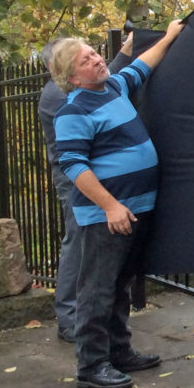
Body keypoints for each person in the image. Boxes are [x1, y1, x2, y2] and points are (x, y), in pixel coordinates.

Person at [51, 20, 185, 388]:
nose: (97, 60)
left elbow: (142, 65)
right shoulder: (73, 111)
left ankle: (119, 351)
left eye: (94, 53)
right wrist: (111, 206)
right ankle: (92, 365)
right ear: (73, 78)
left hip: (134, 207)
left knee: (120, 283)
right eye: (85, 60)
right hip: (105, 215)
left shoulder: (112, 86)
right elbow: (73, 165)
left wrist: (170, 36)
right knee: (97, 288)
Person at [39, 34, 133, 344]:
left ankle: (94, 322)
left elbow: (108, 80)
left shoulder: (68, 89)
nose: (93, 60)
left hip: (88, 177)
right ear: (61, 70)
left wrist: (125, 52)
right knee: (78, 244)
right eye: (79, 58)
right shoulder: (59, 96)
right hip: (76, 181)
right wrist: (124, 53)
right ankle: (69, 318)